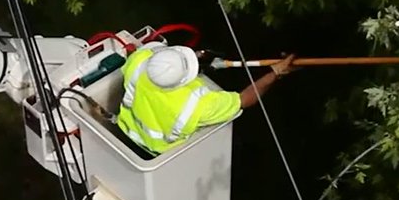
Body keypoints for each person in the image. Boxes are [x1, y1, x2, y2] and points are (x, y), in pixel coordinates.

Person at [116, 42, 296, 155]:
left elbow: (156, 56)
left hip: (125, 131)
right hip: (159, 151)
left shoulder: (139, 61)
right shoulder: (198, 105)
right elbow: (245, 99)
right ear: (182, 81)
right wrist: (275, 73)